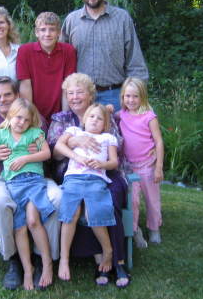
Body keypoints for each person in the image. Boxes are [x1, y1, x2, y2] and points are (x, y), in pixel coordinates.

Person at [0, 76, 61, 290]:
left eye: (7, 94)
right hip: (2, 179)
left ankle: (46, 259)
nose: (3, 99)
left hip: (36, 177)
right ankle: (14, 261)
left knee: (57, 198)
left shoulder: (34, 120)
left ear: (17, 95)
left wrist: (33, 154)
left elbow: (50, 152)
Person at [47, 72, 130, 288]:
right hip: (72, 172)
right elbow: (55, 153)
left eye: (80, 92)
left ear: (90, 95)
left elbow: (117, 148)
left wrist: (100, 162)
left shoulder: (104, 114)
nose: (74, 97)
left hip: (105, 173)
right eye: (70, 93)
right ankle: (95, 256)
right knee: (75, 207)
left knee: (109, 201)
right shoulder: (62, 120)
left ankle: (117, 259)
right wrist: (76, 142)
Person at [60, 0, 149, 110]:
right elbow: (60, 61)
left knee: (116, 133)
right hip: (81, 98)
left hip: (115, 95)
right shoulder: (71, 21)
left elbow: (134, 60)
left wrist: (137, 95)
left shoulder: (122, 18)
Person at [55, 103, 117, 283]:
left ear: (105, 124)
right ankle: (64, 260)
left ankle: (108, 250)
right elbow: (59, 146)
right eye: (92, 116)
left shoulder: (108, 137)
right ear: (84, 119)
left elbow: (114, 162)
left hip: (96, 179)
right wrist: (77, 157)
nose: (95, 120)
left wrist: (103, 165)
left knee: (94, 213)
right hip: (73, 178)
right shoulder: (74, 131)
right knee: (70, 214)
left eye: (100, 118)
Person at [118, 77, 164, 248]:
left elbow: (158, 141)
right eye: (127, 96)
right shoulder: (121, 115)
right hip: (129, 167)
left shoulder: (149, 116)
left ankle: (154, 228)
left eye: (135, 96)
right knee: (133, 201)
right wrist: (107, 109)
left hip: (148, 165)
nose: (131, 100)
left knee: (152, 200)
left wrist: (158, 167)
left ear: (142, 97)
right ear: (122, 97)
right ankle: (135, 230)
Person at [17, 11, 77, 124]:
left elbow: (68, 86)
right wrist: (31, 116)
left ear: (59, 32)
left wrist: (63, 118)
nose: (47, 34)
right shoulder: (25, 51)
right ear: (36, 32)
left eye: (52, 29)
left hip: (59, 112)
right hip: (34, 112)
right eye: (43, 29)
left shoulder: (68, 51)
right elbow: (25, 86)